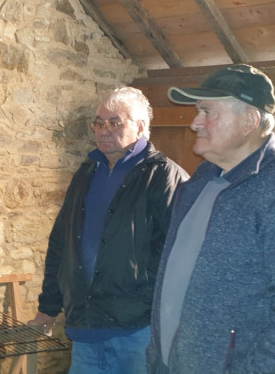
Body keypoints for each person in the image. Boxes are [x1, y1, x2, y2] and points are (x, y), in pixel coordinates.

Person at [147, 64, 275, 374]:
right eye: (197, 111)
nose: (194, 123)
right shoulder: (198, 182)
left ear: (250, 121)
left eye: (207, 112)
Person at [28, 86, 188, 373]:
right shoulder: (86, 173)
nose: (103, 130)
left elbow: (180, 256)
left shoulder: (165, 176)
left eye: (114, 123)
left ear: (140, 127)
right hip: (86, 326)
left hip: (138, 329)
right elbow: (61, 245)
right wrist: (48, 308)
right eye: (99, 123)